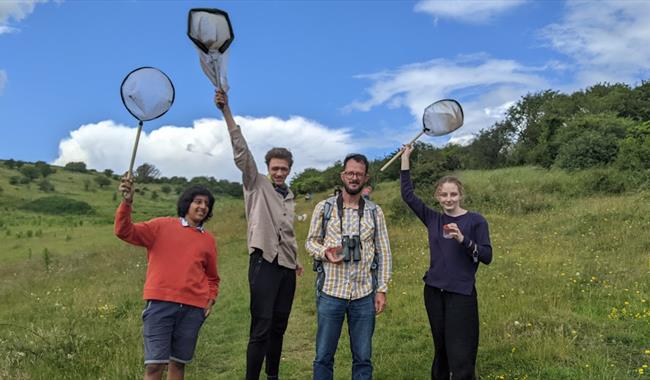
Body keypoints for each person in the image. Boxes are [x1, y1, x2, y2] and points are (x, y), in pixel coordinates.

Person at [215, 89, 303, 380]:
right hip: (263, 262)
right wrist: (227, 113)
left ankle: (273, 376)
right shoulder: (256, 182)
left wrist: (296, 259)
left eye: (284, 169)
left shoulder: (289, 195)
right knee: (261, 325)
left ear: (289, 171)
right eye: (275, 168)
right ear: (267, 168)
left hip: (287, 268)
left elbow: (288, 232)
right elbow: (242, 152)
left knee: (280, 325)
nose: (279, 173)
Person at [399, 144, 492, 380]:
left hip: (461, 293)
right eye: (444, 194)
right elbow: (408, 195)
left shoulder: (475, 221)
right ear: (437, 197)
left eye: (453, 194)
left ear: (460, 195)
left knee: (461, 350)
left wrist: (463, 239)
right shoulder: (433, 218)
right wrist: (405, 159)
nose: (448, 198)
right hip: (434, 291)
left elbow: (487, 256)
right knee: (441, 348)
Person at [115, 176, 220, 380]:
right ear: (186, 203)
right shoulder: (160, 226)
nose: (202, 207)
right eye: (198, 201)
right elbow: (123, 231)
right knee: (154, 366)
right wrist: (127, 202)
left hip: (192, 309)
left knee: (178, 364)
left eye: (207, 204)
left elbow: (212, 277)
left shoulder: (208, 240)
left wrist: (210, 299)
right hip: (160, 306)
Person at [305, 153, 392, 380]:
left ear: (365, 178)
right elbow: (310, 241)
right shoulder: (323, 208)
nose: (354, 177)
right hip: (331, 292)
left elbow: (384, 252)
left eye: (359, 174)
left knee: (363, 358)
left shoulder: (375, 211)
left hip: (364, 293)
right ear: (343, 175)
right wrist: (325, 253)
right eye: (350, 173)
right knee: (324, 355)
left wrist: (381, 289)